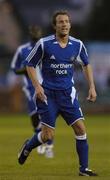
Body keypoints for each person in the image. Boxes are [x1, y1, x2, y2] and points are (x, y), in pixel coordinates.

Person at [18, 11, 97, 176]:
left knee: (81, 129)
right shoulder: (44, 43)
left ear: (70, 24)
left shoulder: (77, 44)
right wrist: (37, 87)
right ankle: (27, 147)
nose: (64, 24)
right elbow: (29, 64)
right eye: (61, 22)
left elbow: (86, 64)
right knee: (47, 136)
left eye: (67, 21)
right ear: (55, 26)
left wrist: (92, 86)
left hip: (68, 95)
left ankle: (84, 169)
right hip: (48, 96)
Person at [11, 25, 54, 158]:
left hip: (47, 86)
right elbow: (14, 68)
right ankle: (40, 140)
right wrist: (24, 70)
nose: (36, 33)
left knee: (48, 116)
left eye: (38, 30)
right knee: (35, 117)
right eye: (33, 31)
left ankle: (49, 146)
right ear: (30, 33)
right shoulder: (22, 49)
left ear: (41, 32)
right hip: (30, 88)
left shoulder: (46, 47)